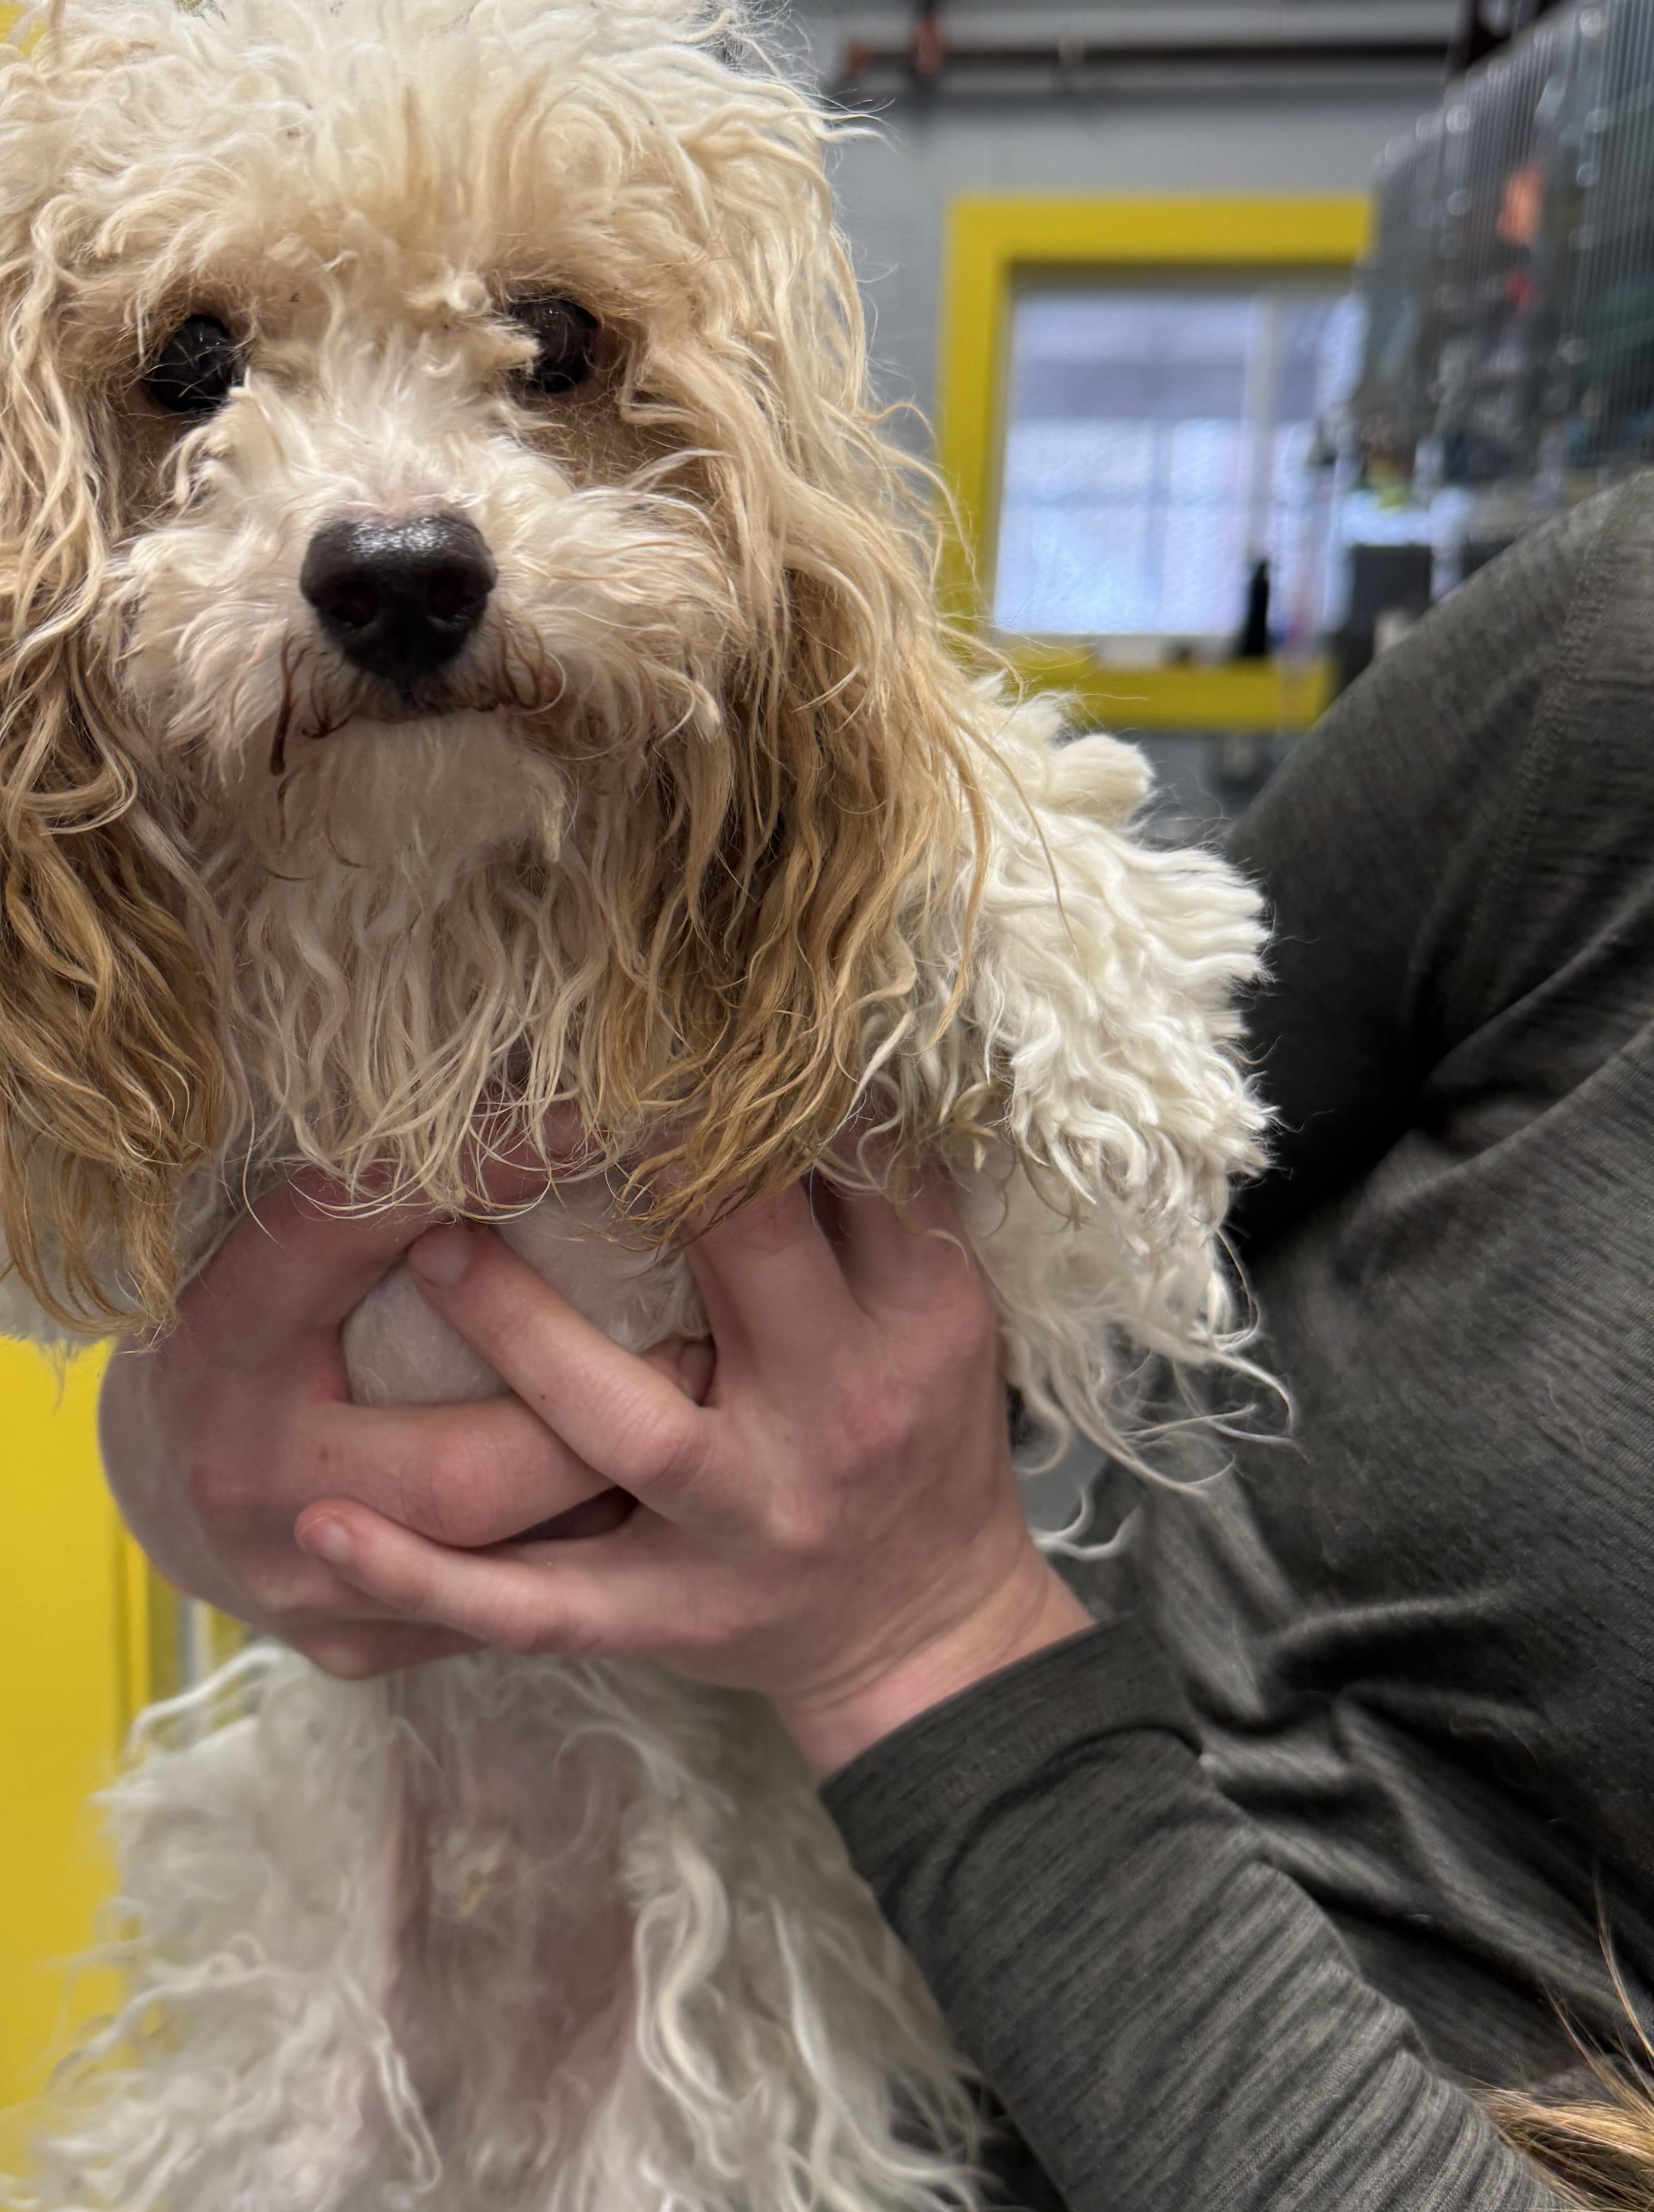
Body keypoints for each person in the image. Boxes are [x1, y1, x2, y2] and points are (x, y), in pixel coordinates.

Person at [98, 473, 1654, 2210]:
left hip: (843, 2025)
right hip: (541, 1896)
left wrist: (923, 1631)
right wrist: (210, 1451)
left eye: (551, 355)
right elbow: (1176, 1114)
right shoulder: (1622, 675)